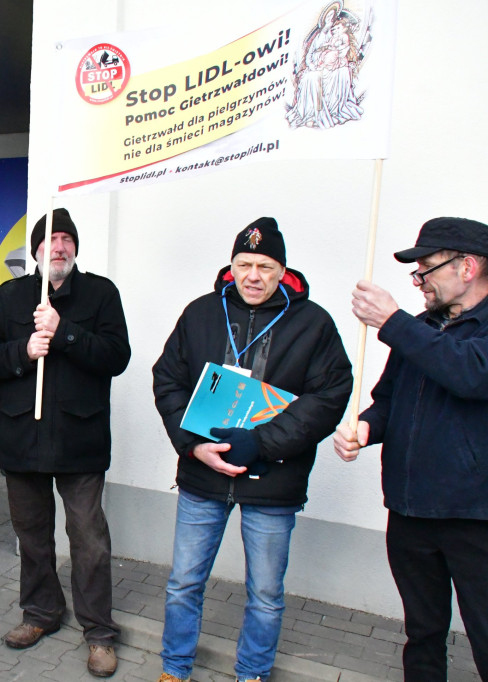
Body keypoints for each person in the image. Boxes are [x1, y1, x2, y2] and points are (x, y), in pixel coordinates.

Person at [152, 218, 352, 682]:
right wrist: (192, 445)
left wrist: (261, 443)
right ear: (232, 266)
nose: (253, 275)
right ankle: (174, 669)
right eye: (244, 264)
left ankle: (252, 673)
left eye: (265, 265)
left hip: (272, 479)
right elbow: (168, 380)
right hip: (202, 475)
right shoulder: (201, 312)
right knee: (184, 584)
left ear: (283, 270)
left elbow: (328, 398)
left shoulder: (314, 323)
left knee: (264, 592)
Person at [333, 217, 488, 681]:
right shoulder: (421, 327)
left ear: (468, 266)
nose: (418, 282)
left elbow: (471, 374)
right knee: (423, 632)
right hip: (412, 512)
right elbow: (390, 398)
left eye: (427, 269)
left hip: (480, 518)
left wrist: (391, 321)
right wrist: (367, 428)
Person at [0, 208, 131, 678]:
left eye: (66, 239)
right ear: (37, 250)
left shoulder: (101, 293)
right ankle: (41, 612)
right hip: (23, 436)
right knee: (32, 537)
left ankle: (99, 631)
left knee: (88, 538)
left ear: (75, 248)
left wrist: (65, 333)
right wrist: (22, 351)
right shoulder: (11, 295)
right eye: (49, 240)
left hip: (80, 439)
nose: (58, 247)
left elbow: (116, 356)